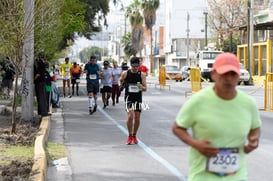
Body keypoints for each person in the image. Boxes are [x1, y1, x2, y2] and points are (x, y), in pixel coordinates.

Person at [172, 52, 261, 181]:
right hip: (203, 176)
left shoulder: (248, 103)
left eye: (233, 74)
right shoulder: (198, 101)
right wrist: (196, 144)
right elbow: (178, 127)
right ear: (213, 74)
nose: (229, 78)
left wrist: (254, 139)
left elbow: (255, 127)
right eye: (224, 74)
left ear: (239, 76)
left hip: (237, 176)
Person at [119, 57, 147, 145]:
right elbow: (120, 80)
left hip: (138, 97)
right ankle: (129, 135)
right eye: (133, 66)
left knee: (137, 118)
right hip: (129, 97)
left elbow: (145, 88)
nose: (135, 68)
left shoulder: (141, 74)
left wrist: (141, 87)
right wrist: (121, 85)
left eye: (137, 66)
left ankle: (134, 135)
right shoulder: (125, 73)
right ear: (130, 65)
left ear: (139, 65)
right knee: (130, 116)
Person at [34, 53, 50, 117]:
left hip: (39, 83)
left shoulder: (36, 63)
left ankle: (40, 111)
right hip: (43, 84)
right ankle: (44, 112)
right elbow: (38, 74)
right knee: (43, 98)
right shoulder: (41, 64)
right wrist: (34, 79)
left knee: (39, 98)